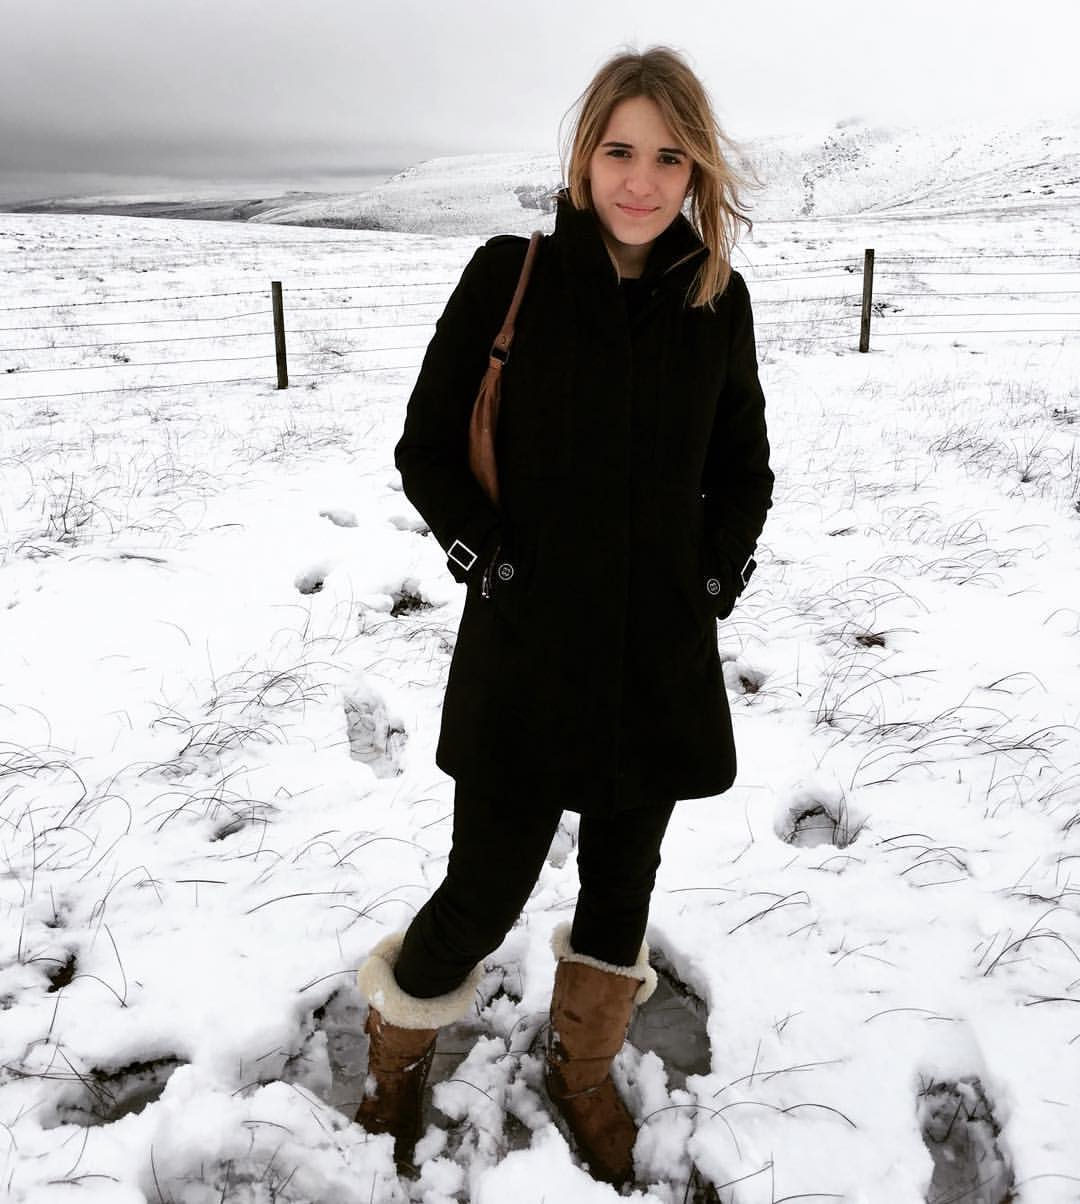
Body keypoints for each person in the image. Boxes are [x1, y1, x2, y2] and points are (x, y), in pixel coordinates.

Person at [354, 45, 774, 1188]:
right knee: (482, 891)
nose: (641, 180)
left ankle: (579, 1068)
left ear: (696, 172)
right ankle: (395, 1057)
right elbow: (426, 449)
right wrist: (489, 561)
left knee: (621, 889)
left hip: (656, 664)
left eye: (669, 157)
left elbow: (744, 471)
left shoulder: (716, 300)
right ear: (584, 157)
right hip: (528, 654)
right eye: (619, 150)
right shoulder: (511, 276)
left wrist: (711, 581)